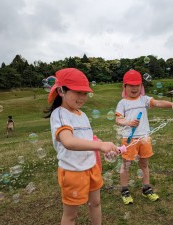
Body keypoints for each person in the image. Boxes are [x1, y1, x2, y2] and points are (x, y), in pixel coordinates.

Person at [44, 68, 119, 225]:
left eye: (84, 93)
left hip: (91, 167)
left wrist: (104, 148)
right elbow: (68, 142)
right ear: (61, 90)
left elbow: (88, 139)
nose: (82, 97)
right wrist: (99, 145)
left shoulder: (82, 114)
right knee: (71, 215)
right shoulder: (59, 114)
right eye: (77, 92)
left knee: (96, 203)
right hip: (72, 171)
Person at [115, 69, 173, 205]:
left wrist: (171, 104)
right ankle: (125, 190)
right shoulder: (122, 103)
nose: (134, 88)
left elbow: (158, 102)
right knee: (126, 165)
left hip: (144, 138)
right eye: (131, 85)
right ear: (125, 86)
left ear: (141, 86)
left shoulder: (144, 100)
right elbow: (118, 119)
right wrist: (127, 122)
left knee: (144, 164)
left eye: (137, 85)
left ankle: (146, 188)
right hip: (129, 139)